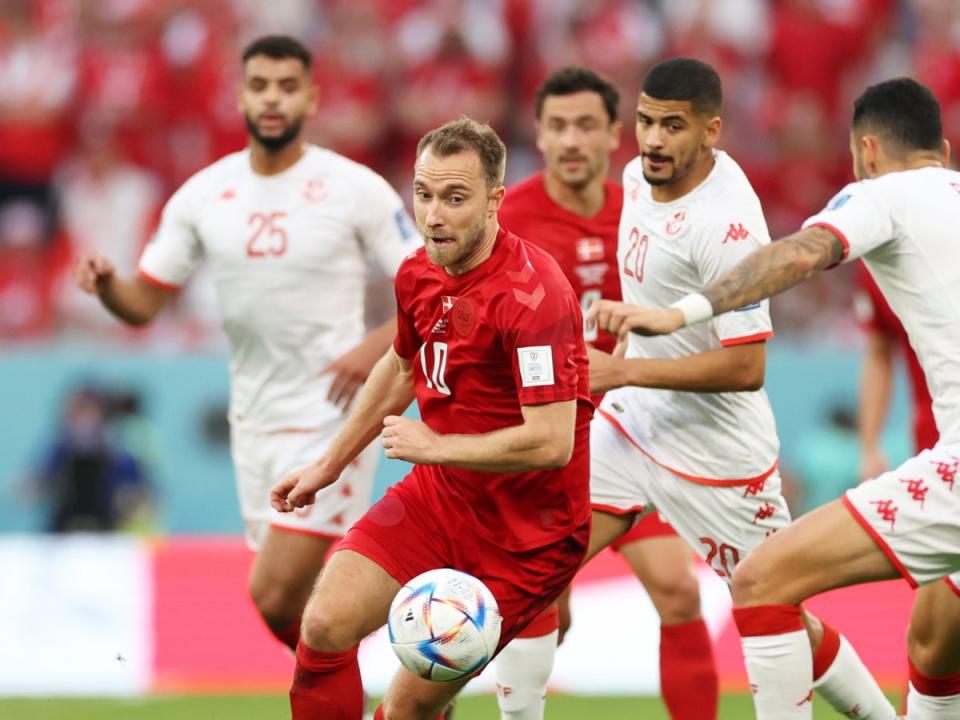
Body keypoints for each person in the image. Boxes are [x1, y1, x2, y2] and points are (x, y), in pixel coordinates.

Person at [592, 76, 960, 719]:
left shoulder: (883, 195)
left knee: (764, 580)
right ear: (946, 150)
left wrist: (683, 314)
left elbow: (800, 253)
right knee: (935, 648)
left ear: (866, 152)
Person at [74, 35, 415, 654]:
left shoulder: (353, 187)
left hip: (333, 412)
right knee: (302, 605)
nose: (273, 98)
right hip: (253, 419)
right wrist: (107, 288)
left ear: (311, 96)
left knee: (274, 593)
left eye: (287, 85)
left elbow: (433, 286)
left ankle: (415, 652)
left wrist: (374, 348)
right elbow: (145, 302)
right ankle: (411, 664)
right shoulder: (204, 195)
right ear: (240, 97)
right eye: (260, 85)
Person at [270, 117, 593, 720]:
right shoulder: (417, 272)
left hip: (529, 534)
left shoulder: (533, 294)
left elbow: (551, 443)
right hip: (441, 498)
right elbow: (398, 369)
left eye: (454, 198)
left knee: (405, 711)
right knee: (323, 625)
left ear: (495, 200)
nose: (434, 215)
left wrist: (436, 445)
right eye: (423, 194)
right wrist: (327, 465)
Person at [495, 65, 716, 720]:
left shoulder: (646, 213)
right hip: (544, 443)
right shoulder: (507, 218)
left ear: (614, 134)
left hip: (629, 434)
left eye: (586, 125)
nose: (571, 140)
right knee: (524, 610)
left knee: (678, 590)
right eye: (557, 126)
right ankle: (425, 705)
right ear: (537, 134)